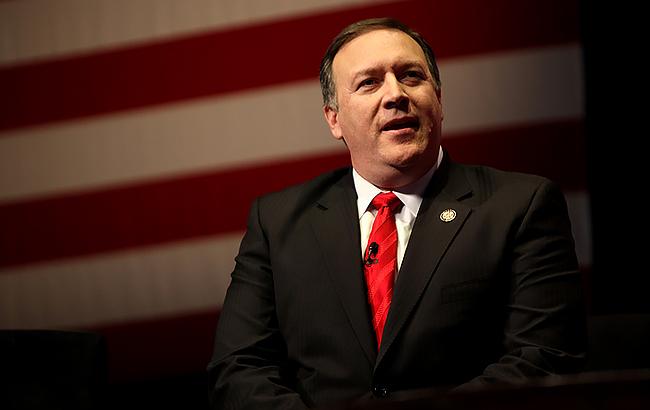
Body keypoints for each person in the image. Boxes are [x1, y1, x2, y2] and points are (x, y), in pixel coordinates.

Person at [207, 18, 586, 409]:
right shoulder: (277, 222)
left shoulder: (521, 206)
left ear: (439, 99)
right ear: (334, 119)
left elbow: (544, 358)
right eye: (369, 82)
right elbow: (238, 370)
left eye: (411, 76)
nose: (395, 94)